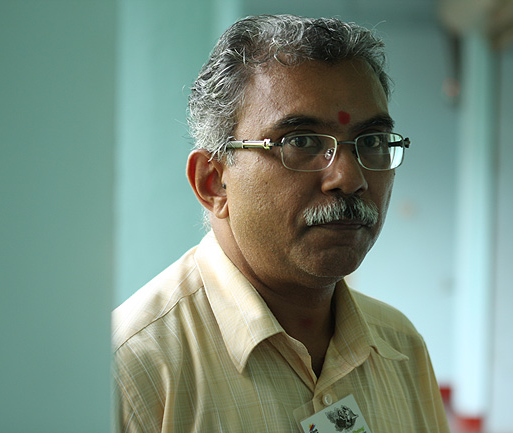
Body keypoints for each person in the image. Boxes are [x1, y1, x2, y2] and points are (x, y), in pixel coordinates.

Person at [113, 14, 449, 432]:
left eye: (373, 142)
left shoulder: (400, 347)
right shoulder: (134, 369)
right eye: (302, 142)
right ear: (213, 182)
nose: (349, 178)